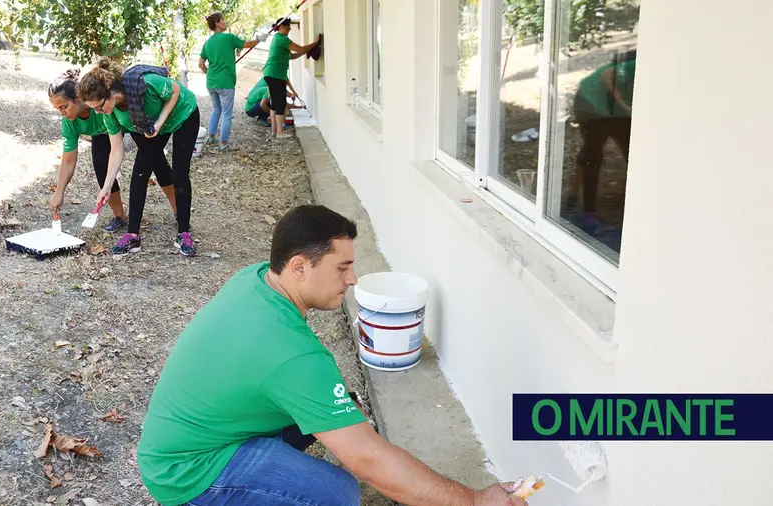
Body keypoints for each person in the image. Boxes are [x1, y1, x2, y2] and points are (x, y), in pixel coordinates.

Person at [137, 204, 528, 506]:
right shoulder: (293, 357)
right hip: (186, 472)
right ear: (299, 267)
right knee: (335, 492)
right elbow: (369, 461)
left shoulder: (256, 279)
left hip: (182, 438)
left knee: (333, 412)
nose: (352, 279)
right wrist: (473, 500)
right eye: (342, 267)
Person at [77, 57, 200, 257]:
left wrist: (160, 122)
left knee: (179, 173)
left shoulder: (144, 82)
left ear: (111, 93)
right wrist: (107, 186)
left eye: (99, 107)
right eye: (94, 110)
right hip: (151, 126)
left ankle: (184, 233)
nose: (99, 112)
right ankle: (132, 235)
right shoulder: (110, 114)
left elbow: (176, 89)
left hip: (183, 115)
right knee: (140, 172)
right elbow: (116, 150)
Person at [47, 68, 128, 232]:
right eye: (58, 109)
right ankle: (120, 217)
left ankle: (179, 213)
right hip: (102, 134)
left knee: (153, 162)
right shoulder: (69, 121)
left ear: (78, 99)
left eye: (64, 107)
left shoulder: (97, 103)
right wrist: (59, 192)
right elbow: (68, 160)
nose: (62, 113)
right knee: (101, 168)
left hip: (127, 125)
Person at [569, 49, 637, 233]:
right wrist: (624, 106)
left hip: (613, 109)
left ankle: (636, 205)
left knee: (633, 152)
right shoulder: (637, 64)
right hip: (589, 102)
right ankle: (588, 213)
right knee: (593, 156)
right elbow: (608, 75)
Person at [199, 12, 265, 150]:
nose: (225, 22)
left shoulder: (207, 43)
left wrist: (209, 74)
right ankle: (223, 144)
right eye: (222, 20)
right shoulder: (229, 38)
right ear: (217, 23)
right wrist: (259, 39)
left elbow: (201, 64)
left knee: (216, 108)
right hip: (226, 82)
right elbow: (247, 44)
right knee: (227, 113)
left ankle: (210, 137)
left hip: (211, 82)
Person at [263, 18, 319, 138]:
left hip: (270, 73)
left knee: (274, 103)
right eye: (288, 26)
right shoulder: (283, 39)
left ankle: (274, 131)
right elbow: (301, 49)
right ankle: (280, 132)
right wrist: (315, 44)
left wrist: (305, 51)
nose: (290, 29)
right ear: (282, 27)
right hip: (276, 74)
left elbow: (292, 56)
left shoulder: (276, 39)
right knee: (281, 103)